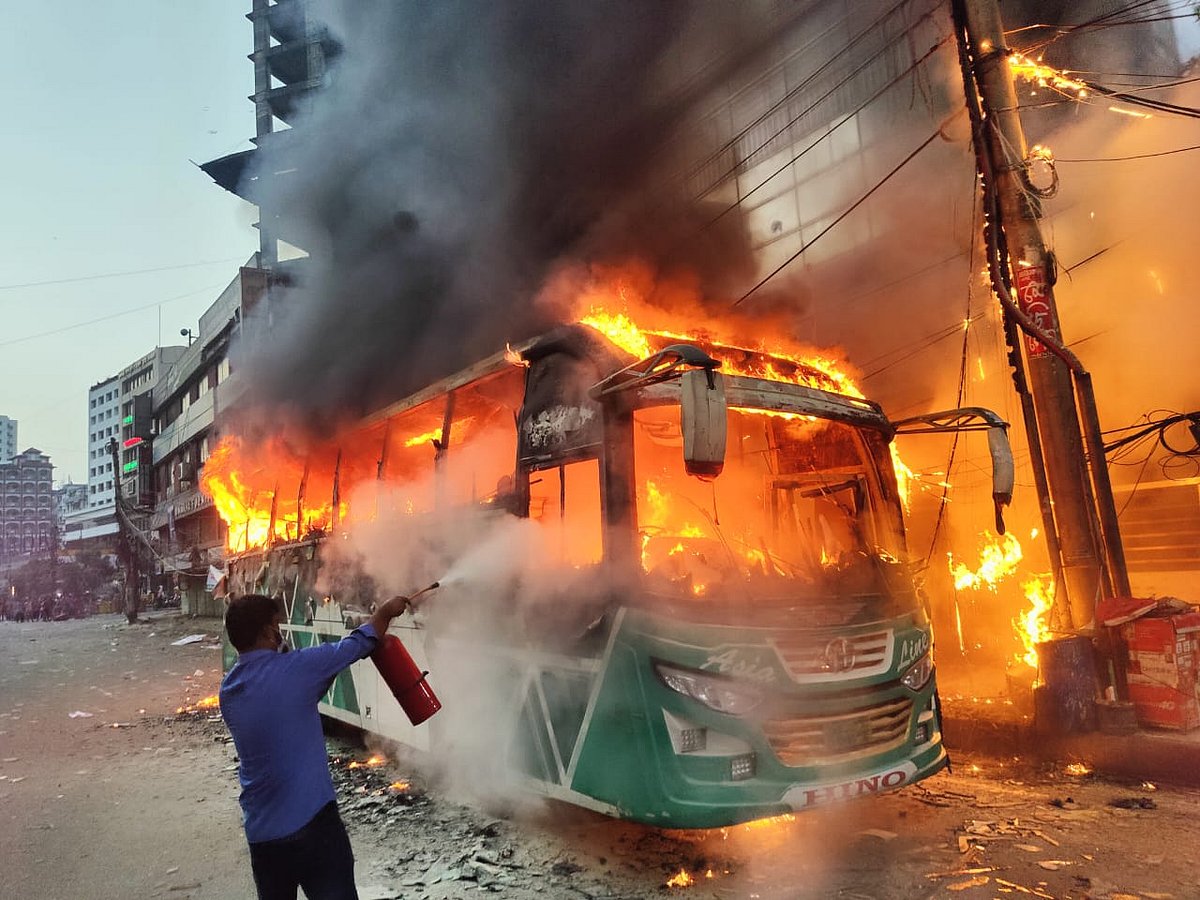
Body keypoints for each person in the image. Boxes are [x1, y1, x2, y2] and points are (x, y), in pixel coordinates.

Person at [220, 592, 409, 900]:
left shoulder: (229, 692)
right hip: (313, 827)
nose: (280, 632)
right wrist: (386, 612)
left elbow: (282, 702)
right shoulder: (297, 670)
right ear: (268, 632)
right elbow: (358, 644)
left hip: (262, 836)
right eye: (277, 625)